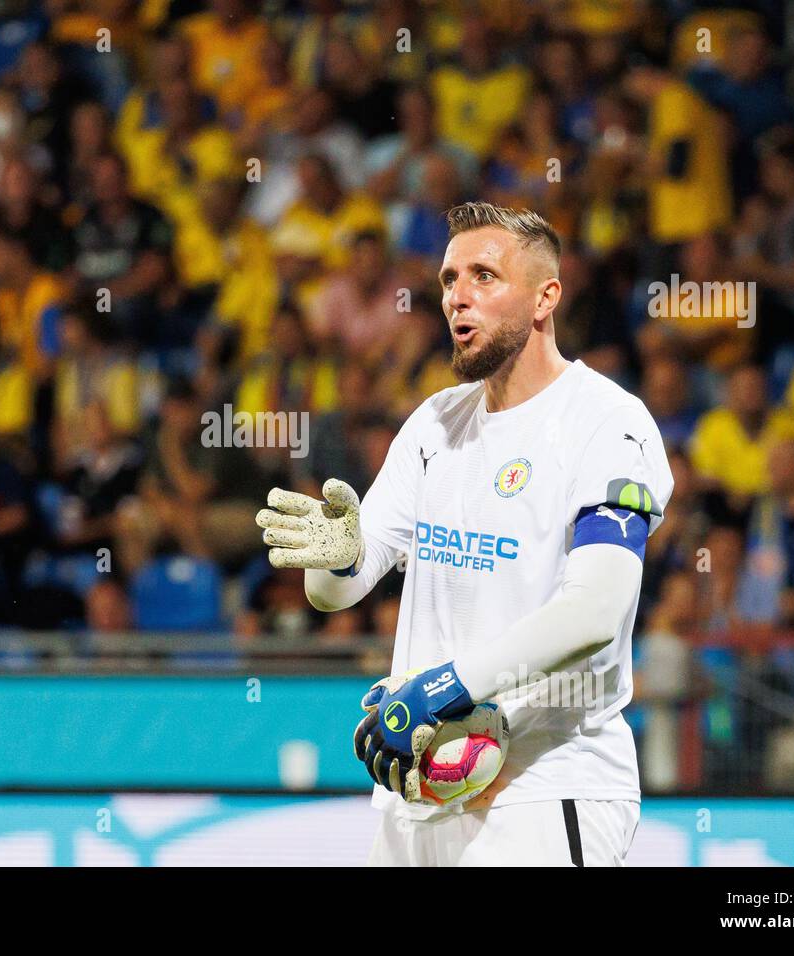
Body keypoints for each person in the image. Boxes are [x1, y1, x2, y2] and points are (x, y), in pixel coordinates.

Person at [256, 202, 673, 866]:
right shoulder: (435, 423)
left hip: (545, 787)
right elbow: (337, 595)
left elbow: (596, 611)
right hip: (419, 790)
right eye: (450, 279)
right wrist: (335, 557)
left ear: (545, 297)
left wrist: (443, 688)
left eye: (484, 275)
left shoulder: (607, 424)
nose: (458, 296)